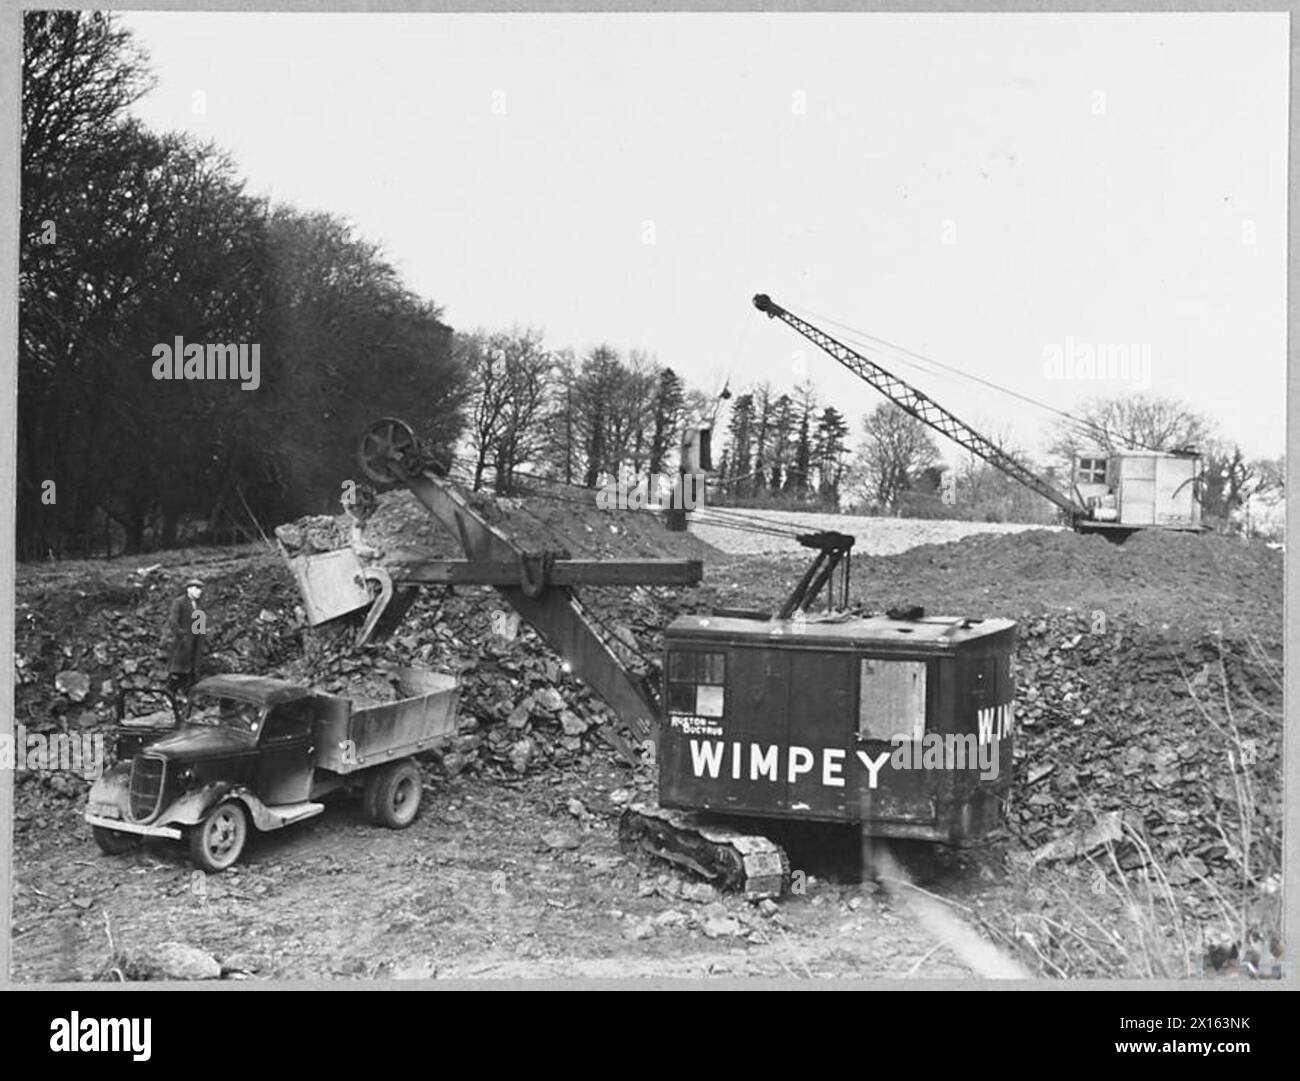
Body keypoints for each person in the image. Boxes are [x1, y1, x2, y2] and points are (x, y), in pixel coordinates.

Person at [166, 578, 207, 701]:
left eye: (200, 589)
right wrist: (181, 635)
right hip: (181, 644)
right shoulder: (179, 602)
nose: (199, 592)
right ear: (189, 589)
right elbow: (173, 621)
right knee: (177, 671)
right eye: (196, 588)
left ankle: (185, 696)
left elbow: (199, 627)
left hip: (194, 644)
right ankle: (169, 695)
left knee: (191, 672)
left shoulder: (198, 606)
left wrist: (200, 640)